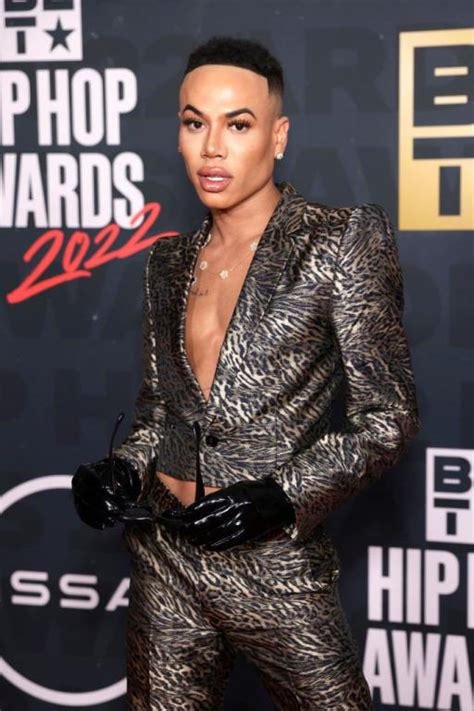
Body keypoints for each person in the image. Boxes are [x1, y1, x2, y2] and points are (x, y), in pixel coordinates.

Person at [72, 35, 420, 710]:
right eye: (194, 123)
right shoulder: (167, 261)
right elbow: (160, 412)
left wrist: (280, 496)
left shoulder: (340, 240)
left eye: (237, 125)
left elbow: (388, 418)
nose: (212, 148)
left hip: (275, 566)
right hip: (166, 559)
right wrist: (120, 470)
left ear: (277, 136)